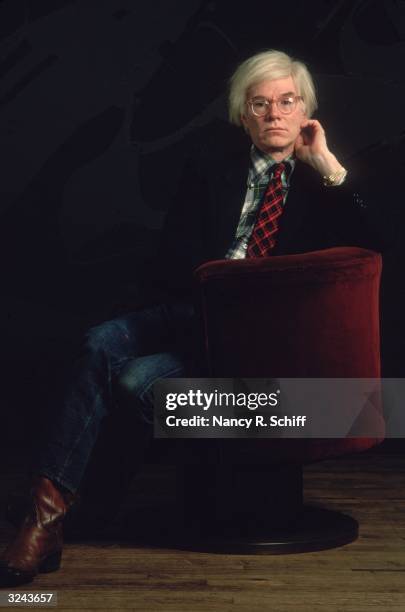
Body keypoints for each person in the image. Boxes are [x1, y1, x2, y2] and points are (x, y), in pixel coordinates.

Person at [0, 49, 390, 587]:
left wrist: (329, 166)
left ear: (306, 113)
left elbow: (377, 250)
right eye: (260, 104)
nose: (275, 114)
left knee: (135, 377)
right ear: (243, 114)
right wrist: (213, 285)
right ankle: (45, 518)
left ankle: (72, 511)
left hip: (264, 336)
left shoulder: (323, 188)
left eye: (287, 102)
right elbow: (170, 258)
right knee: (99, 341)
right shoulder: (210, 167)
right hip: (193, 309)